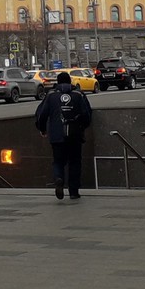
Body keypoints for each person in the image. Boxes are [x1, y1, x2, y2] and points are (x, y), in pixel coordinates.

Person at [33, 71, 92, 200]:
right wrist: (82, 127)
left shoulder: (51, 95)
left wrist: (42, 129)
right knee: (75, 162)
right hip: (75, 135)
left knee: (58, 161)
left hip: (57, 135)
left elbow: (42, 114)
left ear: (57, 82)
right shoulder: (78, 94)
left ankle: (58, 178)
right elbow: (86, 114)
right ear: (70, 81)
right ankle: (74, 192)